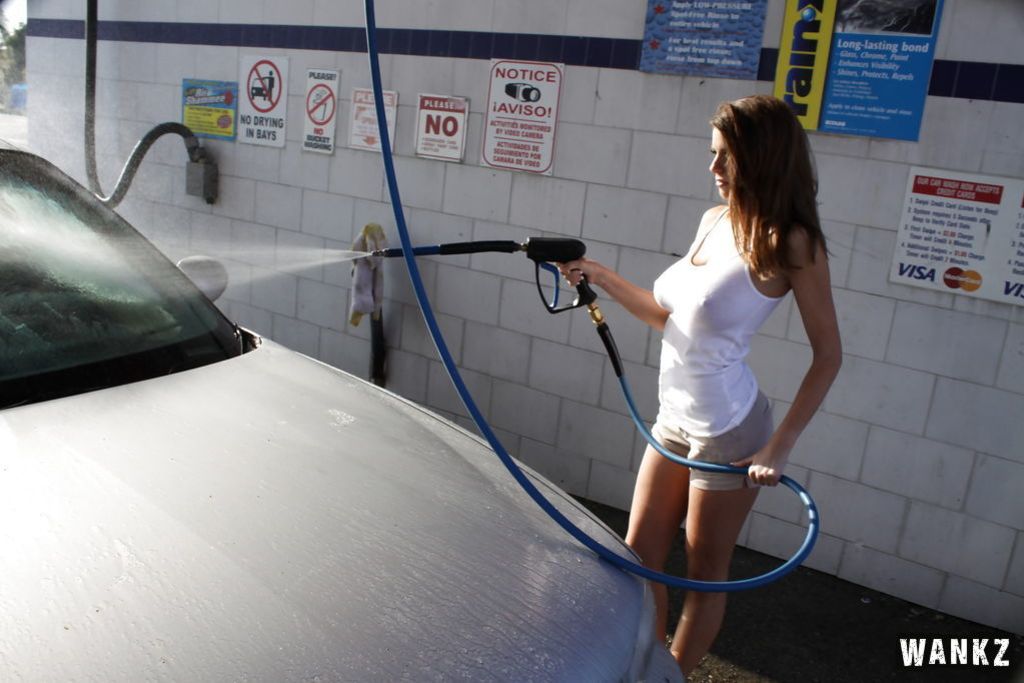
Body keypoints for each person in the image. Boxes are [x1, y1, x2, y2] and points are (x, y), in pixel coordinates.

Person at [559, 94, 842, 675]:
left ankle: (673, 676)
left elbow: (829, 357)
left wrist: (778, 447)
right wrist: (602, 275)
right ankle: (649, 662)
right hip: (673, 420)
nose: (713, 170)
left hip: (730, 433)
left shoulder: (791, 243)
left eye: (726, 158)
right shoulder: (712, 221)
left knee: (702, 574)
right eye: (713, 155)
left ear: (761, 158)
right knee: (639, 556)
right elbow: (670, 317)